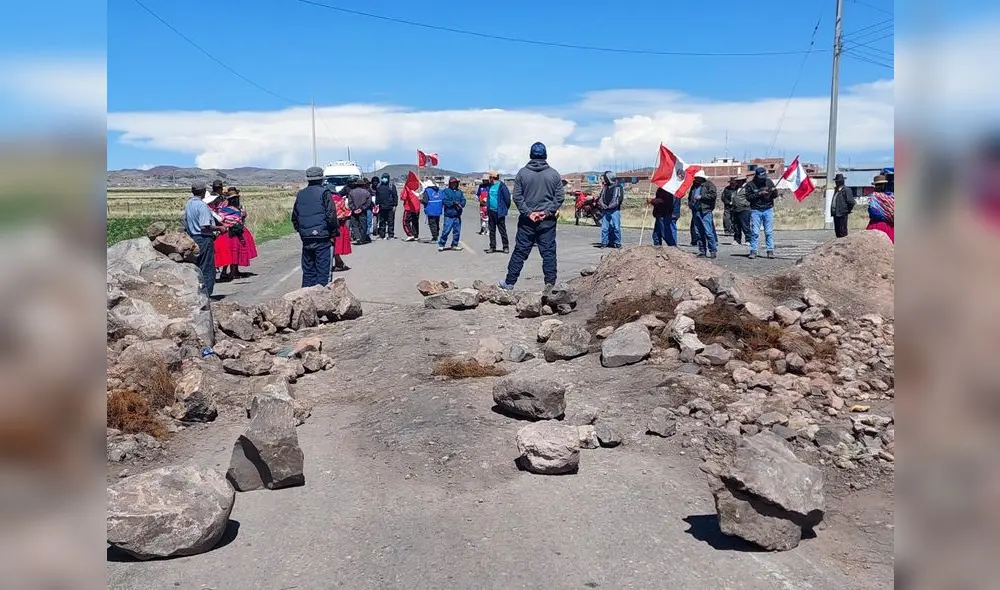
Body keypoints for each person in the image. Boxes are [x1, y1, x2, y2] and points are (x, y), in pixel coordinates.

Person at [498, 141, 565, 291]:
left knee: (520, 251)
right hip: (547, 221)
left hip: (527, 221)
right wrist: (547, 212)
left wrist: (529, 213)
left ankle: (509, 283)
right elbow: (560, 196)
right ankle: (550, 285)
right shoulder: (554, 174)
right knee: (548, 252)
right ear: (545, 155)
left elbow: (517, 196)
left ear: (530, 155)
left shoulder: (522, 173)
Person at [291, 166, 338, 288]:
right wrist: (334, 233)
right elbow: (331, 215)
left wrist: (302, 231)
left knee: (308, 272)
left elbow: (295, 217)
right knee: (323, 273)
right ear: (321, 179)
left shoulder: (300, 194)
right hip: (323, 238)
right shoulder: (325, 193)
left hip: (306, 238)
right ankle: (322, 297)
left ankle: (306, 296)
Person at [183, 181, 222, 296]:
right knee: (207, 267)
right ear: (204, 191)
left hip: (193, 237)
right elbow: (205, 225)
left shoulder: (189, 204)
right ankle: (206, 294)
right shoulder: (202, 206)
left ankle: (198, 293)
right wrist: (220, 228)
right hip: (204, 238)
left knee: (198, 267)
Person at [220, 187, 258, 278]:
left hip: (228, 232)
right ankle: (231, 272)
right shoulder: (236, 209)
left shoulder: (224, 207)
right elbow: (241, 217)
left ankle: (231, 271)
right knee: (234, 251)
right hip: (234, 233)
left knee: (232, 252)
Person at [745, 166, 778, 259]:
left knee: (768, 232)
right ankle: (753, 251)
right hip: (756, 210)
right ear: (756, 176)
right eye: (760, 178)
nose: (762, 179)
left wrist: (773, 192)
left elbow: (775, 195)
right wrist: (758, 194)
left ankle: (770, 250)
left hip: (768, 209)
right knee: (755, 232)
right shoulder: (750, 185)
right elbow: (748, 197)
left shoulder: (769, 182)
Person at [688, 170, 719, 258]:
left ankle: (712, 250)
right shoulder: (694, 186)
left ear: (701, 178)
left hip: (705, 211)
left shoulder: (709, 185)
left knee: (708, 231)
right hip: (696, 210)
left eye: (697, 177)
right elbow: (690, 196)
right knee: (698, 232)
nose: (696, 179)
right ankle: (702, 251)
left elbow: (713, 195)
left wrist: (701, 197)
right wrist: (690, 203)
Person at [484, 171, 512, 253]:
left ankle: (505, 247)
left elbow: (507, 199)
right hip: (491, 211)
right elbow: (489, 198)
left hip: (499, 212)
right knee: (492, 230)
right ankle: (492, 247)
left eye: (489, 177)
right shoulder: (490, 186)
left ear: (492, 178)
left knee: (502, 230)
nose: (489, 179)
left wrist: (504, 209)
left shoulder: (502, 186)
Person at [437, 177, 466, 251]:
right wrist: (453, 203)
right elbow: (444, 201)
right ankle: (441, 244)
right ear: (450, 184)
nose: (454, 184)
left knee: (457, 231)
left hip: (457, 215)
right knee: (446, 231)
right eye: (452, 183)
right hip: (449, 215)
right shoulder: (446, 191)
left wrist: (461, 204)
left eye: (455, 183)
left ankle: (454, 245)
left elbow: (463, 200)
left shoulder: (459, 192)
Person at [597, 171, 624, 248]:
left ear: (609, 178)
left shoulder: (618, 187)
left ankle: (617, 242)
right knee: (604, 228)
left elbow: (619, 199)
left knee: (616, 227)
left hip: (615, 210)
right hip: (605, 210)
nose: (604, 179)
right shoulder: (605, 187)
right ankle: (604, 242)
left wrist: (610, 206)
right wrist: (603, 205)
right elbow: (600, 197)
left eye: (605, 178)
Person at [330, 184, 353, 271]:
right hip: (339, 224)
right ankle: (339, 263)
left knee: (332, 244)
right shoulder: (340, 199)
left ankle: (338, 263)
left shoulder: (324, 199)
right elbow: (347, 212)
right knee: (336, 245)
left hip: (328, 224)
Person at [866, 175, 895, 243]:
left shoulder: (874, 197)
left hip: (877, 225)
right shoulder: (892, 196)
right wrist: (889, 216)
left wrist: (883, 216)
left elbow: (873, 212)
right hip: (891, 225)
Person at [730, 170, 754, 245]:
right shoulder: (736, 189)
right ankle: (737, 239)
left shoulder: (747, 187)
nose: (737, 182)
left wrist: (746, 204)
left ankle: (748, 239)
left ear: (742, 180)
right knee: (736, 226)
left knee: (745, 225)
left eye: (738, 181)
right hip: (736, 209)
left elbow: (751, 197)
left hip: (744, 209)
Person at [348, 178, 373, 245]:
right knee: (363, 225)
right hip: (363, 211)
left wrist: (354, 209)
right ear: (363, 185)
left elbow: (350, 203)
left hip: (354, 212)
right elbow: (368, 203)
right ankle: (362, 239)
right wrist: (361, 208)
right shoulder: (366, 192)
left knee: (354, 225)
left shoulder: (351, 192)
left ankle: (358, 237)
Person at [830, 173, 857, 238]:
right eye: (836, 181)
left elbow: (851, 202)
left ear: (842, 181)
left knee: (842, 231)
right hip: (836, 214)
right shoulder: (836, 190)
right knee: (837, 231)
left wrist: (846, 210)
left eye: (838, 181)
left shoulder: (846, 190)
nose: (836, 183)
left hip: (842, 214)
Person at [374, 173, 398, 239]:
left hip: (390, 207)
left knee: (391, 221)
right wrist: (376, 204)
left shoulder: (391, 186)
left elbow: (395, 196)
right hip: (381, 207)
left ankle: (391, 235)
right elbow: (377, 196)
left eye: (386, 177)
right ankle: (382, 235)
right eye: (383, 177)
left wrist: (395, 205)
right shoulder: (379, 186)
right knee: (382, 222)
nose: (384, 179)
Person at [401, 177, 422, 242]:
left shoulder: (407, 187)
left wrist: (402, 192)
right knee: (415, 221)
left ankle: (410, 234)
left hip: (409, 207)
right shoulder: (416, 188)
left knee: (405, 221)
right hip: (417, 207)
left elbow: (403, 197)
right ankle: (415, 235)